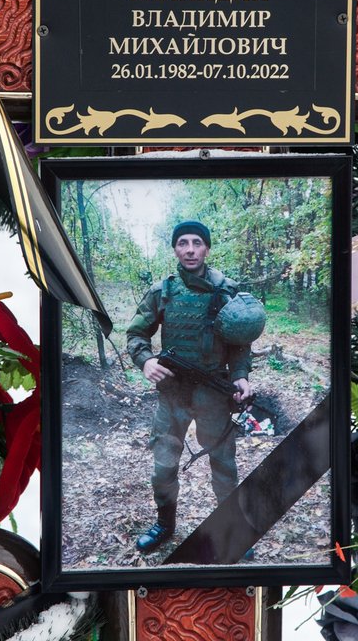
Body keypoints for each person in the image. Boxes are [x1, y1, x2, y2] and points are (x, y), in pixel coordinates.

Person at [125, 220, 265, 554]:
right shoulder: (163, 291)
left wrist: (241, 375)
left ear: (207, 248)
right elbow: (136, 334)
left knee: (224, 465)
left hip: (212, 394)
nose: (190, 250)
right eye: (183, 243)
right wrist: (146, 361)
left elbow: (240, 344)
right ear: (175, 249)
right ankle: (165, 525)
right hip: (172, 393)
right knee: (163, 465)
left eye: (197, 243)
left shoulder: (226, 290)